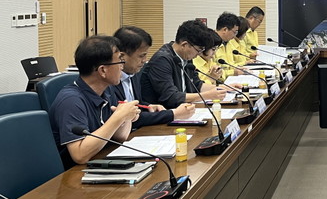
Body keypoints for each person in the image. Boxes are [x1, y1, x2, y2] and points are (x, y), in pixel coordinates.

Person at [49, 35, 141, 168]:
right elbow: (79, 155)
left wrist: (125, 117)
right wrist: (118, 117)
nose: (122, 67)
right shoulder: (71, 100)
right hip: (73, 172)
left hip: (99, 161)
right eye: (119, 61)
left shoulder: (107, 91)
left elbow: (120, 136)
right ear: (103, 70)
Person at [113, 26, 195, 127]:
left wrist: (148, 106)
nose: (144, 60)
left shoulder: (133, 74)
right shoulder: (110, 81)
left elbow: (135, 104)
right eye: (141, 56)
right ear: (122, 56)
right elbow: (129, 118)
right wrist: (173, 114)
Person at [140, 19, 227, 108]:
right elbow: (171, 97)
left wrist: (223, 89)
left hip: (185, 109)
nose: (199, 54)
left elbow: (197, 85)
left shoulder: (186, 57)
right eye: (199, 50)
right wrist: (207, 95)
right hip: (165, 112)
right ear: (184, 45)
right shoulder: (162, 60)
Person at [213, 11, 244, 76]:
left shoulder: (228, 43)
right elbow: (214, 72)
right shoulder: (211, 44)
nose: (235, 36)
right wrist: (233, 72)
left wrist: (238, 68)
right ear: (225, 30)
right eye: (234, 32)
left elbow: (230, 65)